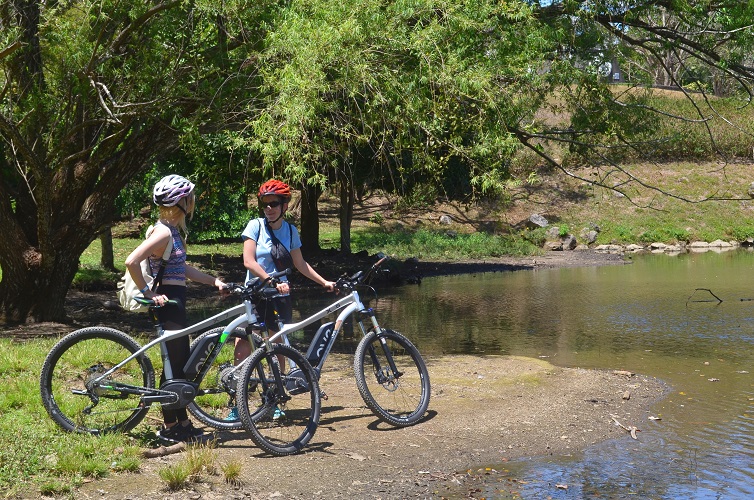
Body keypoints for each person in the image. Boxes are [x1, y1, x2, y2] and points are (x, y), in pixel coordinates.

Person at [124, 174, 226, 443]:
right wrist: (149, 293)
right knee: (173, 366)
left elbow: (183, 270)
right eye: (189, 197)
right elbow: (131, 261)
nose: (193, 201)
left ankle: (182, 422)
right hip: (167, 304)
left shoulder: (172, 231)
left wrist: (212, 280)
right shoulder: (163, 232)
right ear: (181, 202)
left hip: (175, 302)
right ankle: (170, 428)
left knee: (178, 365)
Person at [226, 179, 335, 421]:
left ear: (285, 205)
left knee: (278, 348)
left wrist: (324, 281)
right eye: (264, 204)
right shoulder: (255, 226)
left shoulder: (291, 231)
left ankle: (274, 400)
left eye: (274, 203)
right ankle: (237, 404)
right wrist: (270, 280)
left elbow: (300, 264)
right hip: (254, 294)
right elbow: (249, 261)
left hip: (279, 298)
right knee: (242, 346)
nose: (269, 208)